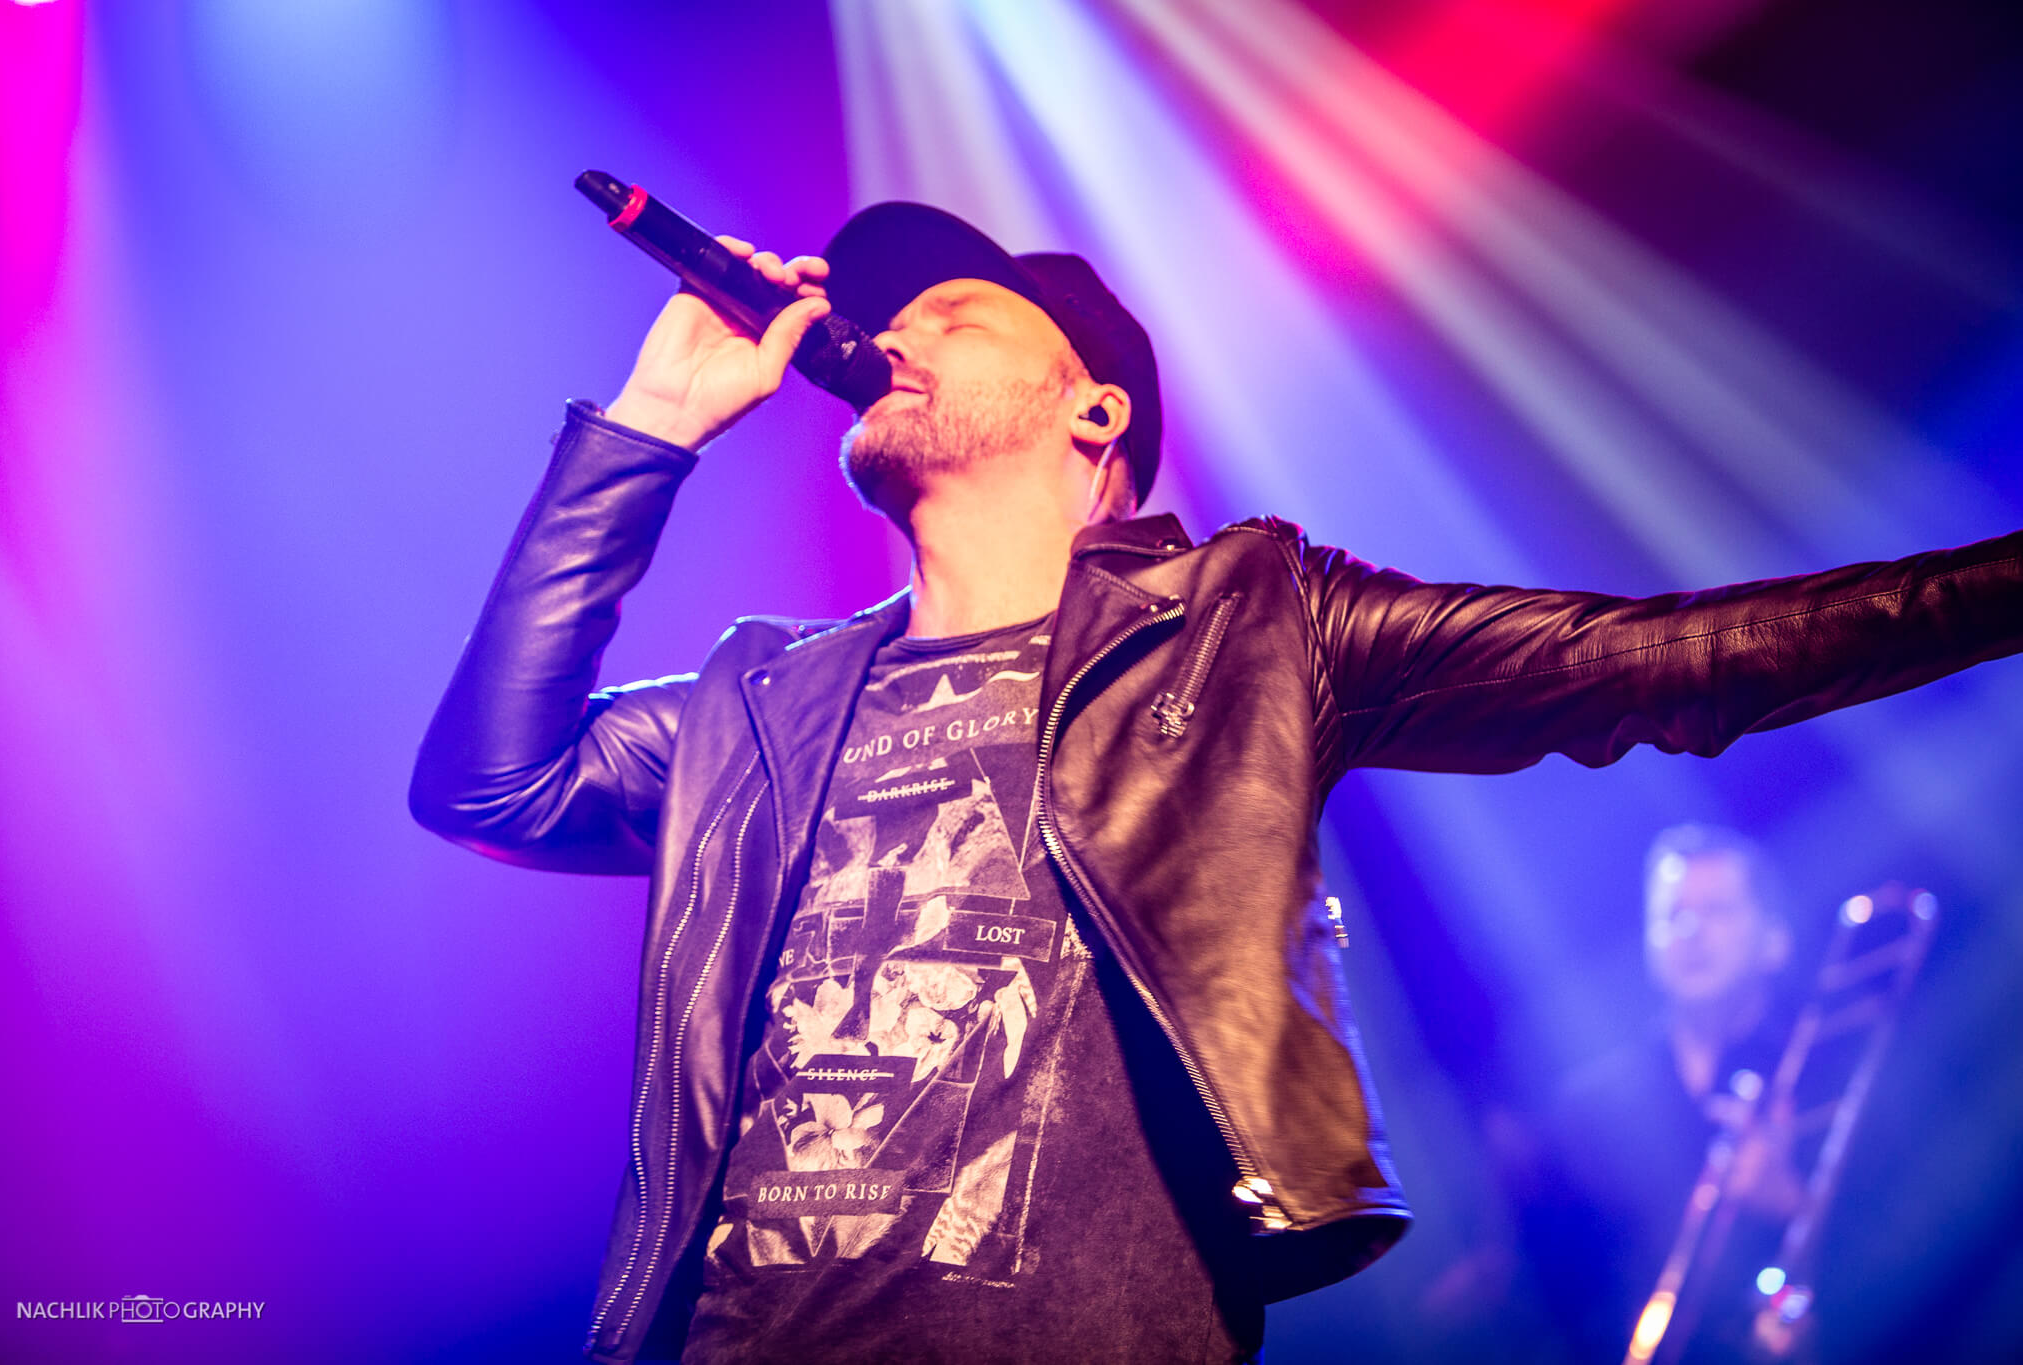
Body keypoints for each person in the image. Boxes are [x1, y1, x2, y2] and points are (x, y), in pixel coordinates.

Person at [409, 201, 2023, 1364]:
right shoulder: (760, 700)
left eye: (956, 315)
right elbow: (488, 784)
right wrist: (647, 428)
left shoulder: (1253, 623)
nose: (893, 332)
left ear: (1093, 411)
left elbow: (1672, 661)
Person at [1513, 825, 1814, 1362]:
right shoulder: (1586, 1113)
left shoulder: (1829, 1059)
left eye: (1717, 910)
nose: (1691, 931)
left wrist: (1791, 1202)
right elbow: (1563, 1299)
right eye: (1672, 915)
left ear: (1775, 941)